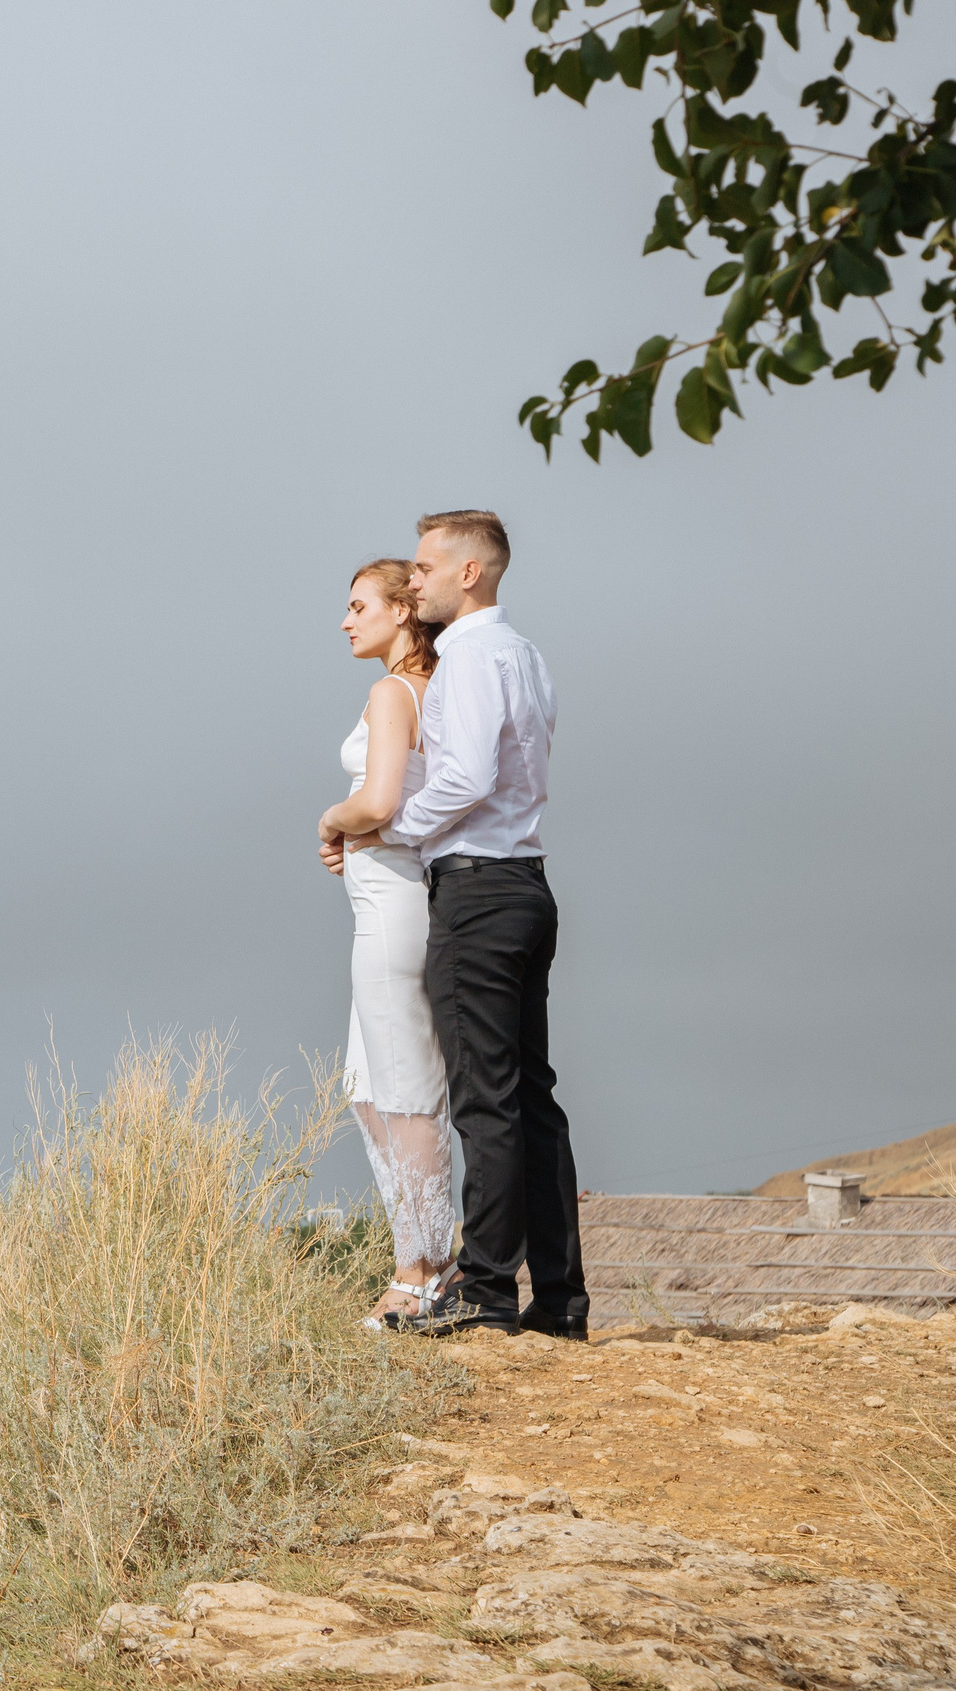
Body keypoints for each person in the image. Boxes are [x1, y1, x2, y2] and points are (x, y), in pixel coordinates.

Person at [382, 510, 583, 1339]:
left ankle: (489, 1288)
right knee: (533, 1099)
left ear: (470, 572)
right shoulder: (526, 655)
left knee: (486, 1098)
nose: (413, 580)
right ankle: (562, 1300)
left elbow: (463, 776)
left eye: (425, 567)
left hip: (477, 890)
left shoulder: (467, 657)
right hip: (529, 884)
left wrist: (391, 828)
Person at [317, 560, 460, 1328]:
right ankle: (423, 1252)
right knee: (371, 1086)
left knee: (402, 1090)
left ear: (403, 611)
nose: (346, 620)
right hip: (393, 899)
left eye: (358, 605)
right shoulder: (433, 689)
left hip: (390, 911)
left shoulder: (390, 692)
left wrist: (331, 821)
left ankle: (423, 1267)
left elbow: (378, 799)